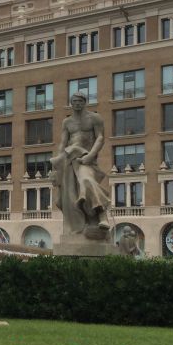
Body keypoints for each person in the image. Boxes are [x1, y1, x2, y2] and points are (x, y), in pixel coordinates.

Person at [50, 91, 111, 238]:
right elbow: (63, 143)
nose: (77, 104)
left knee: (86, 180)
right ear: (71, 104)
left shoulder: (94, 118)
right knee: (70, 196)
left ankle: (102, 214)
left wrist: (90, 156)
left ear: (85, 102)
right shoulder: (67, 122)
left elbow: (100, 138)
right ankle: (81, 226)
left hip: (85, 158)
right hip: (69, 159)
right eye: (74, 101)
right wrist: (57, 165)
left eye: (80, 101)